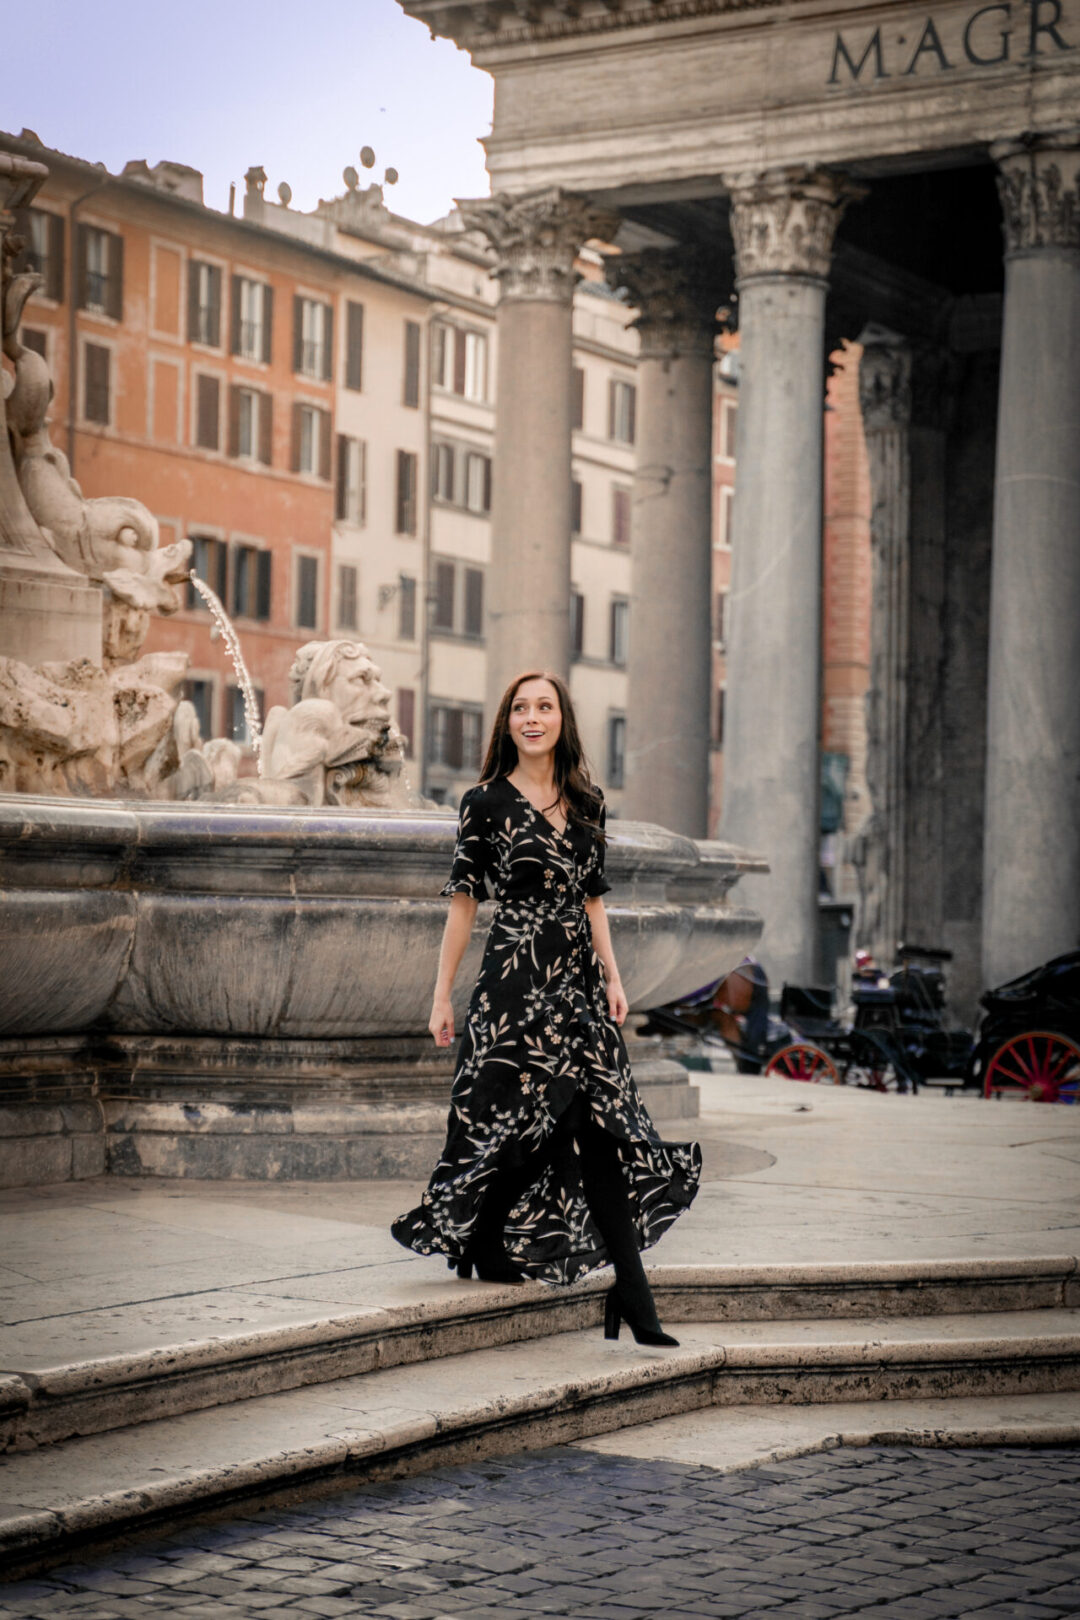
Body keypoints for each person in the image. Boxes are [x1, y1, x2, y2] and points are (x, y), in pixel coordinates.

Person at [391, 670, 701, 1346]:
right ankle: (485, 1236)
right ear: (507, 722)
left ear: (563, 719)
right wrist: (442, 995)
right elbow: (463, 904)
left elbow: (594, 901)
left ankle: (634, 1295)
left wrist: (614, 979)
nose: (533, 717)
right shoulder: (484, 802)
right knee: (525, 1130)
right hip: (515, 987)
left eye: (545, 706)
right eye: (521, 708)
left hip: (580, 990)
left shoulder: (589, 803)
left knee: (601, 1134)